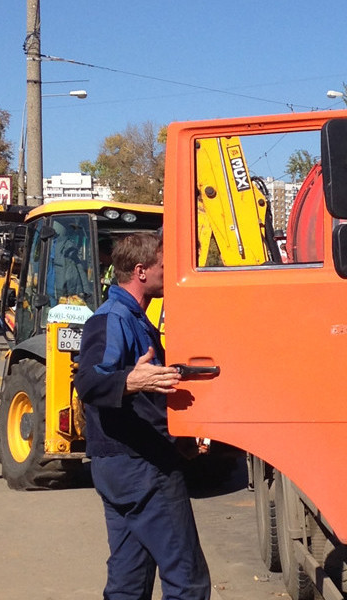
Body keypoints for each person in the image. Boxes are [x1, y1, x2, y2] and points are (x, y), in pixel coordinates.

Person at [73, 232, 211, 600]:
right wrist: (129, 380)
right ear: (141, 271)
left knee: (129, 581)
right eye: (164, 265)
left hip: (120, 466)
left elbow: (145, 403)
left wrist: (180, 438)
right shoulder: (112, 320)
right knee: (188, 581)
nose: (171, 272)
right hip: (141, 468)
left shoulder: (133, 318)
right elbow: (88, 381)